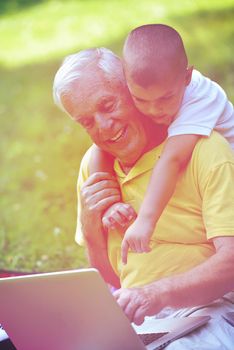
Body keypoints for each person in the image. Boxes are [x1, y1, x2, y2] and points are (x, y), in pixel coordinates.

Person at [53, 48, 234, 348]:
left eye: (108, 105)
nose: (104, 126)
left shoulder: (204, 149)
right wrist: (90, 224)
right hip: (141, 320)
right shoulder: (94, 168)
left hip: (212, 310)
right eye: (87, 122)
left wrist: (155, 294)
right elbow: (112, 277)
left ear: (131, 89)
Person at [89, 24, 234, 265]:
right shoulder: (154, 93)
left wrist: (145, 221)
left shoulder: (202, 99)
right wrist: (110, 203)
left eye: (166, 98)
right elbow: (100, 147)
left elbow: (173, 160)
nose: (154, 110)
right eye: (140, 100)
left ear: (187, 77)